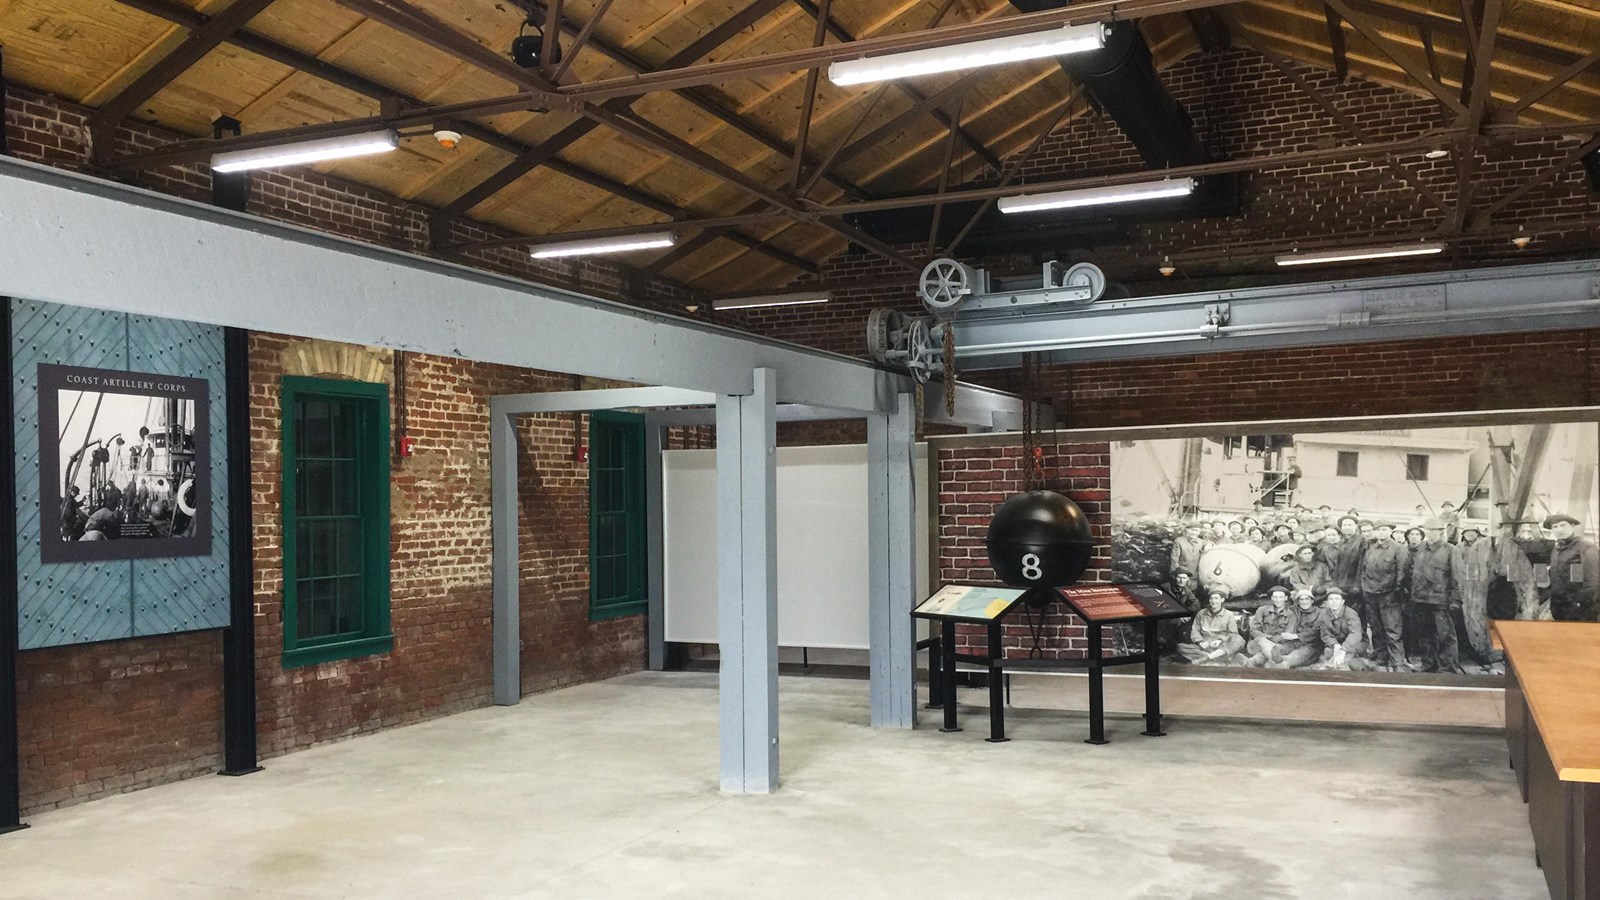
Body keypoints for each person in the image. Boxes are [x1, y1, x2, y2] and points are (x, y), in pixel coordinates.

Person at [1410, 518, 1460, 673]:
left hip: (1440, 601)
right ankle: (1428, 664)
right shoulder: (1422, 549)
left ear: (1441, 532)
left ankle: (1448, 667)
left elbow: (1458, 576)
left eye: (1434, 531)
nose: (1430, 534)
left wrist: (1455, 599)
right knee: (1425, 634)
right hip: (1421, 599)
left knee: (1445, 635)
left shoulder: (1451, 550)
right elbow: (1416, 574)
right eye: (1428, 531)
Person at [1359, 523, 1410, 669]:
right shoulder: (1371, 548)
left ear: (1390, 531)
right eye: (1378, 530)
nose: (1381, 533)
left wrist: (1395, 592)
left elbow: (1402, 573)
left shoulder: (1399, 549)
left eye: (1384, 530)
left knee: (1393, 630)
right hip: (1370, 594)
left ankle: (1397, 662)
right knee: (1376, 628)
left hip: (1389, 596)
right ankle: (1381, 658)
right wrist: (1365, 589)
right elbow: (1364, 570)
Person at [1545, 513, 1600, 621]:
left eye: (1563, 525)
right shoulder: (1556, 550)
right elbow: (1555, 576)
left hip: (1580, 610)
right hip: (1558, 608)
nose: (1559, 529)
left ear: (1572, 526)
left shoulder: (1586, 547)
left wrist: (1579, 603)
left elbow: (1593, 581)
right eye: (1555, 527)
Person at [1452, 526, 1494, 660]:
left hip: (1480, 582)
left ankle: (1479, 647)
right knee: (1461, 617)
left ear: (1477, 534)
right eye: (1467, 532)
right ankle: (1464, 646)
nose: (1470, 534)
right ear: (1463, 534)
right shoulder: (1458, 547)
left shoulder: (1483, 547)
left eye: (1472, 532)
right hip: (1463, 583)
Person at [1179, 588, 1245, 665]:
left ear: (1222, 600)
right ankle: (1220, 657)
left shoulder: (1229, 614)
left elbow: (1233, 633)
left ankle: (1204, 659)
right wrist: (1200, 642)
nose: (1213, 601)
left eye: (1216, 598)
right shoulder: (1201, 613)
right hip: (1206, 644)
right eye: (1211, 598)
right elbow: (1195, 631)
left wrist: (1220, 640)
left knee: (1239, 640)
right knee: (1180, 647)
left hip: (1221, 644)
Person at [1318, 588, 1374, 671]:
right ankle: (1360, 662)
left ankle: (1329, 666)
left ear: (1342, 601)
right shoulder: (1323, 615)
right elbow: (1325, 634)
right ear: (1327, 602)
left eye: (1337, 599)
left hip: (1357, 642)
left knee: (1346, 653)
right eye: (1331, 599)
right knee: (1328, 652)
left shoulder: (1351, 614)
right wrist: (1335, 644)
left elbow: (1355, 635)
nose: (1334, 602)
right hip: (1338, 643)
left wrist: (1344, 649)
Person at [1246, 585, 1297, 666]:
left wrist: (1274, 640)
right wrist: (1268, 638)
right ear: (1272, 598)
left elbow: (1288, 635)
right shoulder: (1262, 610)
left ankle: (1254, 662)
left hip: (1280, 645)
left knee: (1265, 658)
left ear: (1286, 598)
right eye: (1275, 597)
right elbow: (1254, 630)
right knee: (1262, 642)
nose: (1278, 600)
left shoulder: (1291, 615)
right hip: (1259, 643)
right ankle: (1277, 663)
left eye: (1281, 597)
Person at [1273, 590, 1326, 669]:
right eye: (1301, 599)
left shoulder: (1320, 613)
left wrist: (1296, 636)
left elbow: (1316, 632)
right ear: (1298, 601)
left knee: (1302, 653)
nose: (1304, 602)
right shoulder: (1294, 610)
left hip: (1312, 644)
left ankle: (1284, 661)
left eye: (1307, 599)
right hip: (1294, 642)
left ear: (1312, 601)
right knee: (1278, 648)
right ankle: (1277, 658)